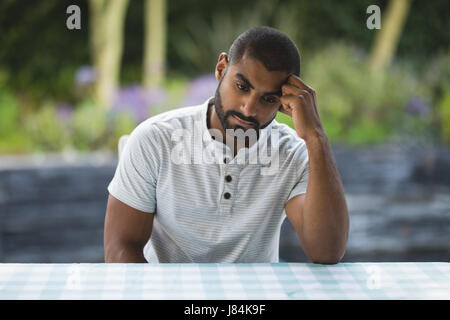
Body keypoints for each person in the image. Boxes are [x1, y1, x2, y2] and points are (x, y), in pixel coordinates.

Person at [104, 26, 349, 264]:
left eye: (269, 98)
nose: (249, 108)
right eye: (242, 87)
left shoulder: (293, 154)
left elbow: (325, 251)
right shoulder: (154, 139)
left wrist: (316, 138)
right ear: (221, 68)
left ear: (284, 101)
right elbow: (120, 249)